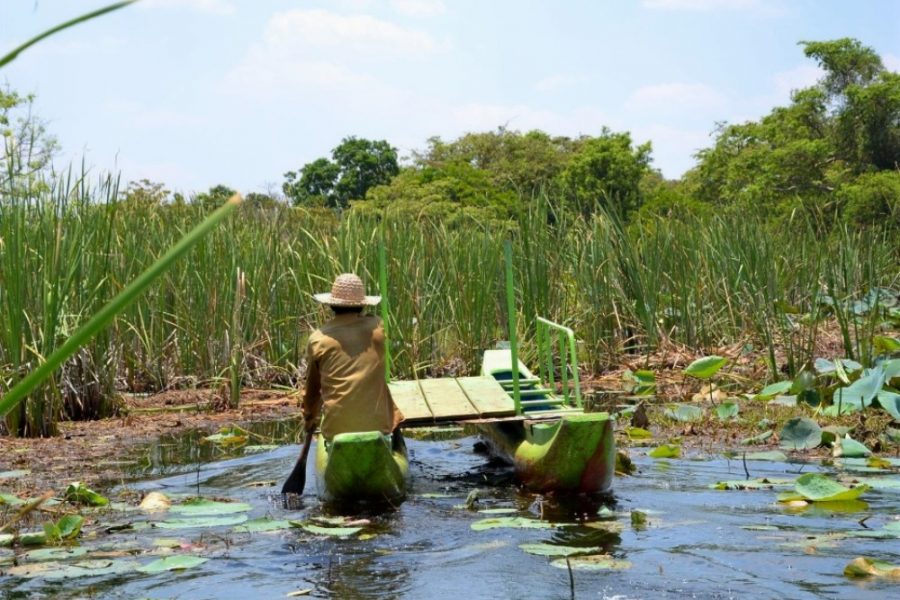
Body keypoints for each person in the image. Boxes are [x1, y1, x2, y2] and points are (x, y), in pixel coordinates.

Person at [301, 273, 404, 442]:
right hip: (378, 427)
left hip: (336, 431)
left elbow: (312, 390)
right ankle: (395, 442)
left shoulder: (317, 339)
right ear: (362, 306)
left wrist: (309, 418)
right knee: (392, 407)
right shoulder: (378, 328)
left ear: (331, 306)